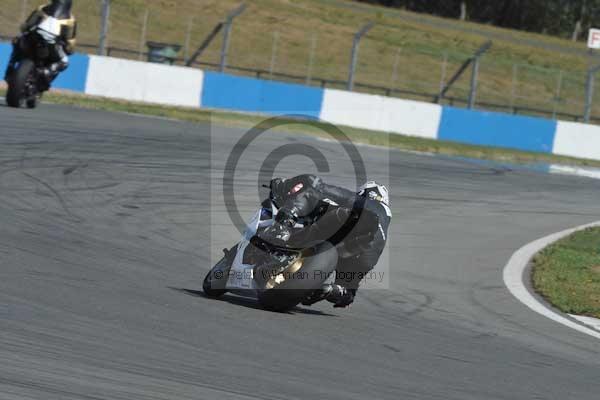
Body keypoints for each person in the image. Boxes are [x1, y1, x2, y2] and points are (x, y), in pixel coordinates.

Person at [262, 175, 392, 308]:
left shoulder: (365, 201)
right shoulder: (383, 227)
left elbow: (319, 187)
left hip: (353, 221)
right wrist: (329, 291)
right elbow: (349, 297)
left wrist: (285, 184)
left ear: (365, 192)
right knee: (347, 288)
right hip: (368, 253)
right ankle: (330, 290)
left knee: (312, 192)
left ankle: (282, 227)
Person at [4, 0, 77, 85]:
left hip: (35, 36)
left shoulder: (42, 8)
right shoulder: (70, 19)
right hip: (50, 44)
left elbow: (28, 24)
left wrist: (25, 30)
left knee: (17, 41)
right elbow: (70, 40)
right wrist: (69, 49)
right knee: (64, 61)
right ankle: (48, 71)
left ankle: (11, 66)